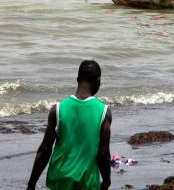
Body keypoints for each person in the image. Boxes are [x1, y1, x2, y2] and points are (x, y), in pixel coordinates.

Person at [27, 60, 111, 190]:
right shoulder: (104, 112)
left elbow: (45, 149)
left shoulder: (58, 109)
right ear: (98, 82)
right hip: (86, 181)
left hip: (59, 179)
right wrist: (106, 181)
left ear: (77, 79)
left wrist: (31, 184)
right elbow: (103, 153)